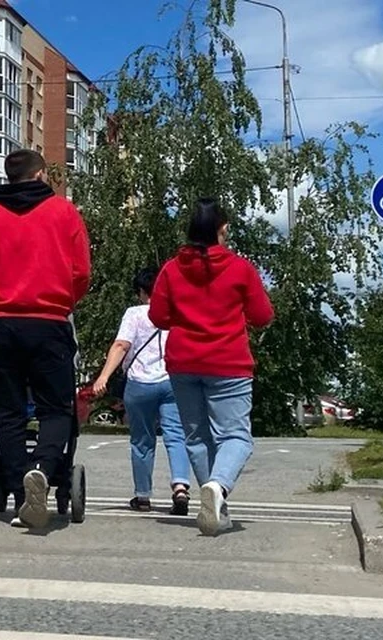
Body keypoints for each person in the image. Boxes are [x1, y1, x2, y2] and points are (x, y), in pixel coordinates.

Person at [0, 149, 91, 529]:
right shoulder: (63, 213)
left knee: (9, 412)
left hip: (1, 324)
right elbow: (81, 271)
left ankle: (18, 493)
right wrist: (63, 299)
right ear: (42, 175)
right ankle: (44, 472)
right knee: (56, 408)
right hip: (49, 322)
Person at [148, 198, 274, 535]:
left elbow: (157, 316)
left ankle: (215, 503)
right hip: (228, 363)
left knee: (196, 436)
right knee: (236, 436)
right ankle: (217, 487)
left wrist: (185, 316)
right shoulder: (240, 268)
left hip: (183, 362)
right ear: (221, 230)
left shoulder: (172, 269)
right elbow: (263, 316)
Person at [93, 267, 191, 515]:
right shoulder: (176, 313)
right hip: (172, 381)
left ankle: (143, 495)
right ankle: (180, 486)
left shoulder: (134, 314)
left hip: (139, 384)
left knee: (142, 441)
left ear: (140, 292)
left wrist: (103, 376)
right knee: (176, 436)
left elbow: (121, 345)